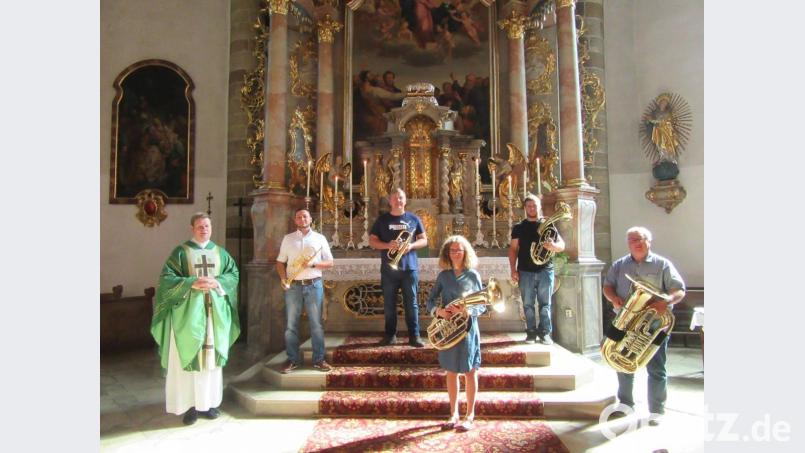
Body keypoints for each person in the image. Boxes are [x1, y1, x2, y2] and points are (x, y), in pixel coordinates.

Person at [151, 212, 240, 425]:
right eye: (200, 226)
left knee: (211, 361)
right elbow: (166, 280)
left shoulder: (220, 253)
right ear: (192, 228)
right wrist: (191, 283)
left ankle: (208, 404)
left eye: (207, 226)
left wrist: (217, 282)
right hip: (188, 317)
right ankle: (189, 405)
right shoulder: (181, 253)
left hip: (213, 316)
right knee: (188, 358)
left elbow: (233, 275)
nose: (204, 229)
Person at [603, 226, 686, 426]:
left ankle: (657, 411)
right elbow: (607, 286)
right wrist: (613, 298)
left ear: (649, 241)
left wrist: (666, 301)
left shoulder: (662, 264)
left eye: (640, 239)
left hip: (653, 325)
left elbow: (679, 290)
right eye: (632, 240)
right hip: (624, 322)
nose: (636, 243)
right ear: (628, 244)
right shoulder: (619, 265)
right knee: (621, 363)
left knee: (656, 368)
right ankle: (626, 405)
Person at [426, 235, 485, 431]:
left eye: (459, 250)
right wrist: (438, 312)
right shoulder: (443, 276)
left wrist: (468, 310)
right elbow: (430, 301)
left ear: (465, 252)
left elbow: (482, 305)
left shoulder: (473, 275)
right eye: (452, 250)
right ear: (447, 253)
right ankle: (453, 413)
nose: (456, 254)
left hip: (468, 330)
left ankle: (470, 414)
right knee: (451, 372)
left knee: (470, 371)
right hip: (448, 330)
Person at [276, 209, 335, 374]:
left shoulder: (319, 238)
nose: (302, 219)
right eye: (299, 217)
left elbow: (330, 262)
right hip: (293, 286)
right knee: (291, 325)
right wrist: (283, 278)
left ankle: (319, 360)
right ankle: (292, 360)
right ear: (295, 220)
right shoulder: (288, 239)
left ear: (310, 219)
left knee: (316, 324)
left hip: (314, 284)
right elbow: (280, 262)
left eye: (305, 216)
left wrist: (312, 265)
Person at [369, 188, 428, 347]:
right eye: (395, 198)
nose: (398, 201)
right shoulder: (382, 220)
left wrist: (411, 245)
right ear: (390, 201)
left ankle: (414, 336)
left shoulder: (414, 219)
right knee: (389, 304)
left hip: (409, 269)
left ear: (405, 200)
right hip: (389, 270)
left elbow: (424, 240)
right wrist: (387, 245)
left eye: (401, 197)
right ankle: (390, 336)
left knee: (412, 304)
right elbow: (372, 241)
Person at [508, 194, 565, 345]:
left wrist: (553, 246)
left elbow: (562, 245)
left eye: (534, 205)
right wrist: (513, 269)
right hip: (525, 271)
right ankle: (531, 333)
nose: (532, 208)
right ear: (525, 208)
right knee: (527, 304)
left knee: (545, 304)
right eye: (529, 206)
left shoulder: (548, 225)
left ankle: (545, 333)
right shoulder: (519, 227)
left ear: (539, 207)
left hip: (545, 270)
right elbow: (513, 249)